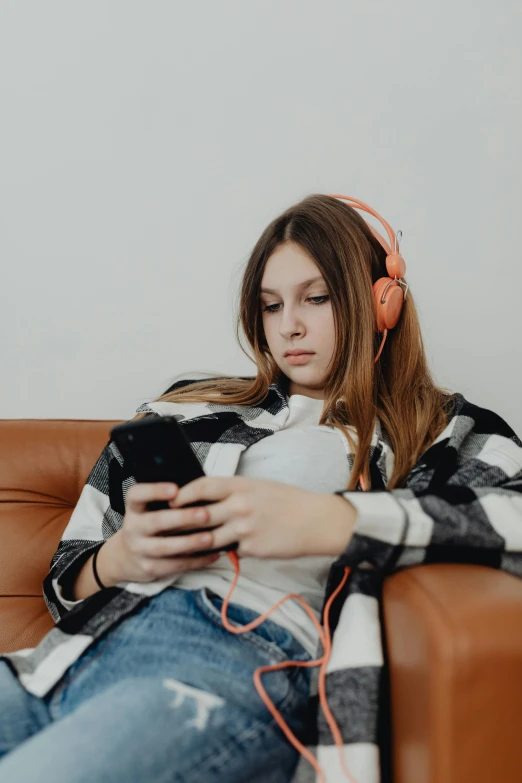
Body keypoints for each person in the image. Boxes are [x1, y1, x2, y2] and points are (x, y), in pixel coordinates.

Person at [1, 193, 521, 783]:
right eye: (271, 306)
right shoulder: (185, 406)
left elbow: (509, 520)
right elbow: (65, 575)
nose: (288, 327)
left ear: (384, 304)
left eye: (316, 299)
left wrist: (331, 520)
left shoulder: (441, 428)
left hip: (238, 663)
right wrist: (122, 557)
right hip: (72, 657)